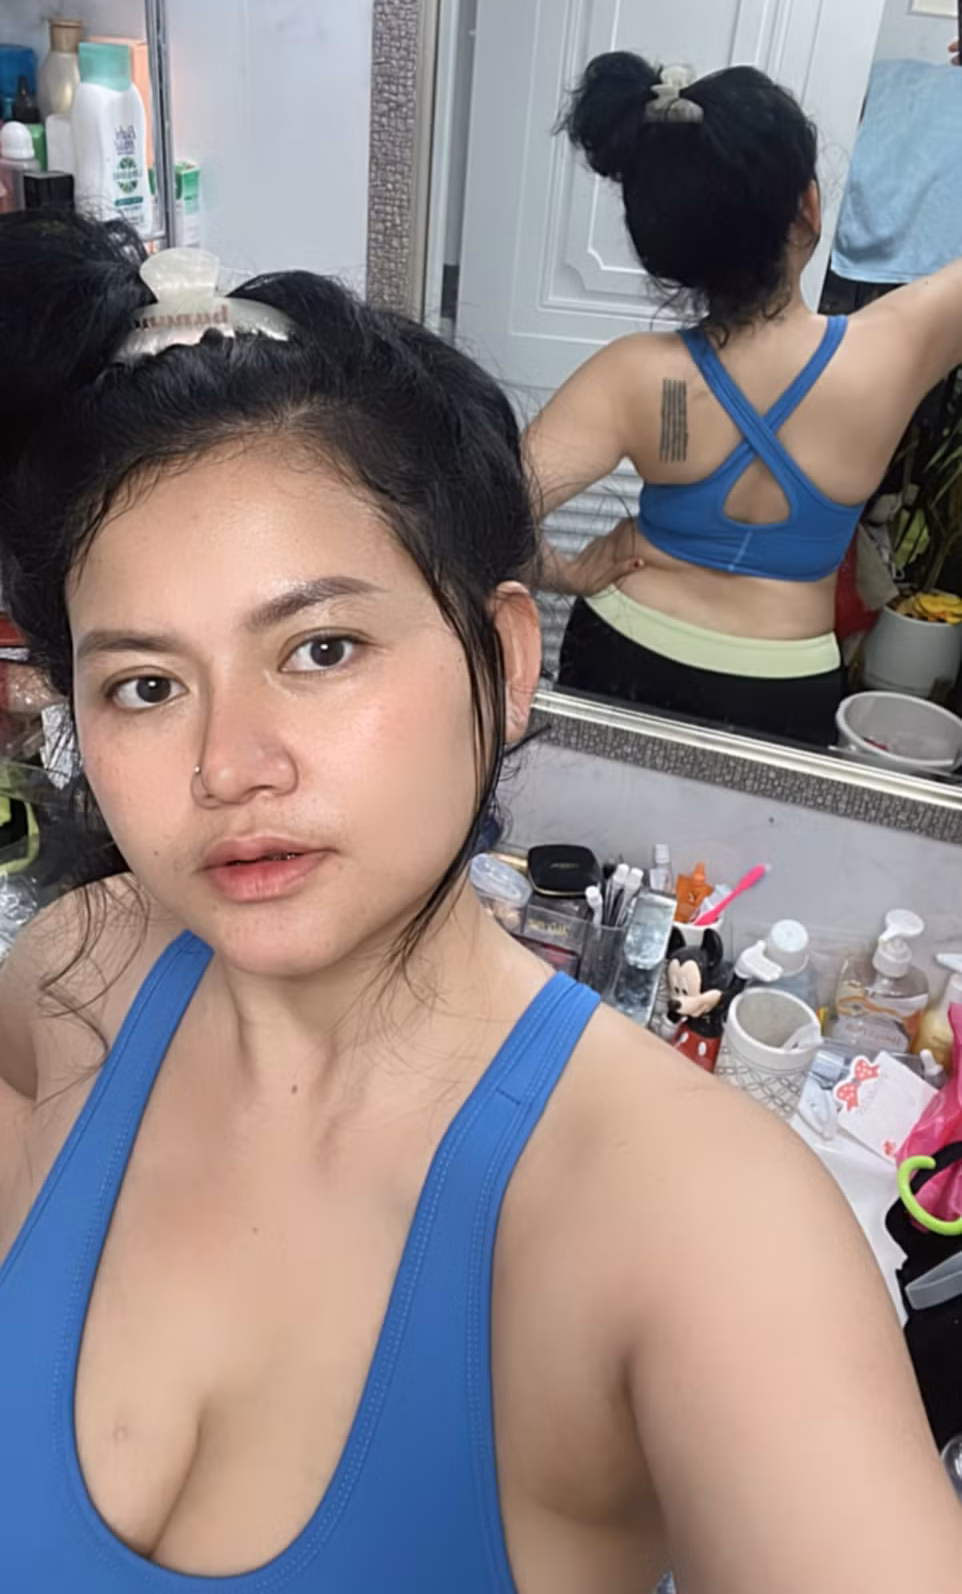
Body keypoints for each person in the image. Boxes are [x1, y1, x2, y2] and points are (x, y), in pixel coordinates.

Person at [0, 213, 959, 1594]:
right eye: (146, 684)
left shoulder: (700, 1224)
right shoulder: (75, 969)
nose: (229, 765)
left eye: (321, 648)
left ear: (504, 662)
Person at [527, 53, 962, 745]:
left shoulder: (633, 375)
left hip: (619, 650)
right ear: (809, 208)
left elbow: (474, 519)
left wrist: (564, 573)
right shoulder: (892, 353)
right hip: (780, 682)